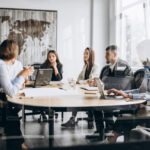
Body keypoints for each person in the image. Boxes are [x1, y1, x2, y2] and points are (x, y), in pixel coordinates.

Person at [87, 45, 133, 139]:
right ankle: (101, 131)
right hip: (110, 96)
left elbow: (120, 85)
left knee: (98, 105)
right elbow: (103, 83)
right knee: (94, 104)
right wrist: (95, 83)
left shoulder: (123, 66)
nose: (105, 56)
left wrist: (104, 84)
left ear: (115, 54)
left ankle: (106, 130)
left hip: (122, 98)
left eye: (107, 54)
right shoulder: (105, 68)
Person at [0, 39, 33, 150]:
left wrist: (21, 75)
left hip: (3, 96)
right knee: (11, 113)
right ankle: (18, 144)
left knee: (12, 112)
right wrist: (22, 75)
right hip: (2, 97)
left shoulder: (3, 64)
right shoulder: (1, 65)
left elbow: (10, 86)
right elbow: (11, 91)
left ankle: (16, 142)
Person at [61, 47, 99, 128]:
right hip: (85, 90)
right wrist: (76, 81)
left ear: (91, 55)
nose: (84, 55)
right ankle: (72, 119)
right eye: (84, 53)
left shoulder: (96, 67)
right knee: (75, 97)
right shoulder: (85, 66)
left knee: (77, 97)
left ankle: (90, 119)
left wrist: (80, 82)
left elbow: (90, 80)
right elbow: (79, 79)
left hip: (92, 92)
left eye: (86, 53)